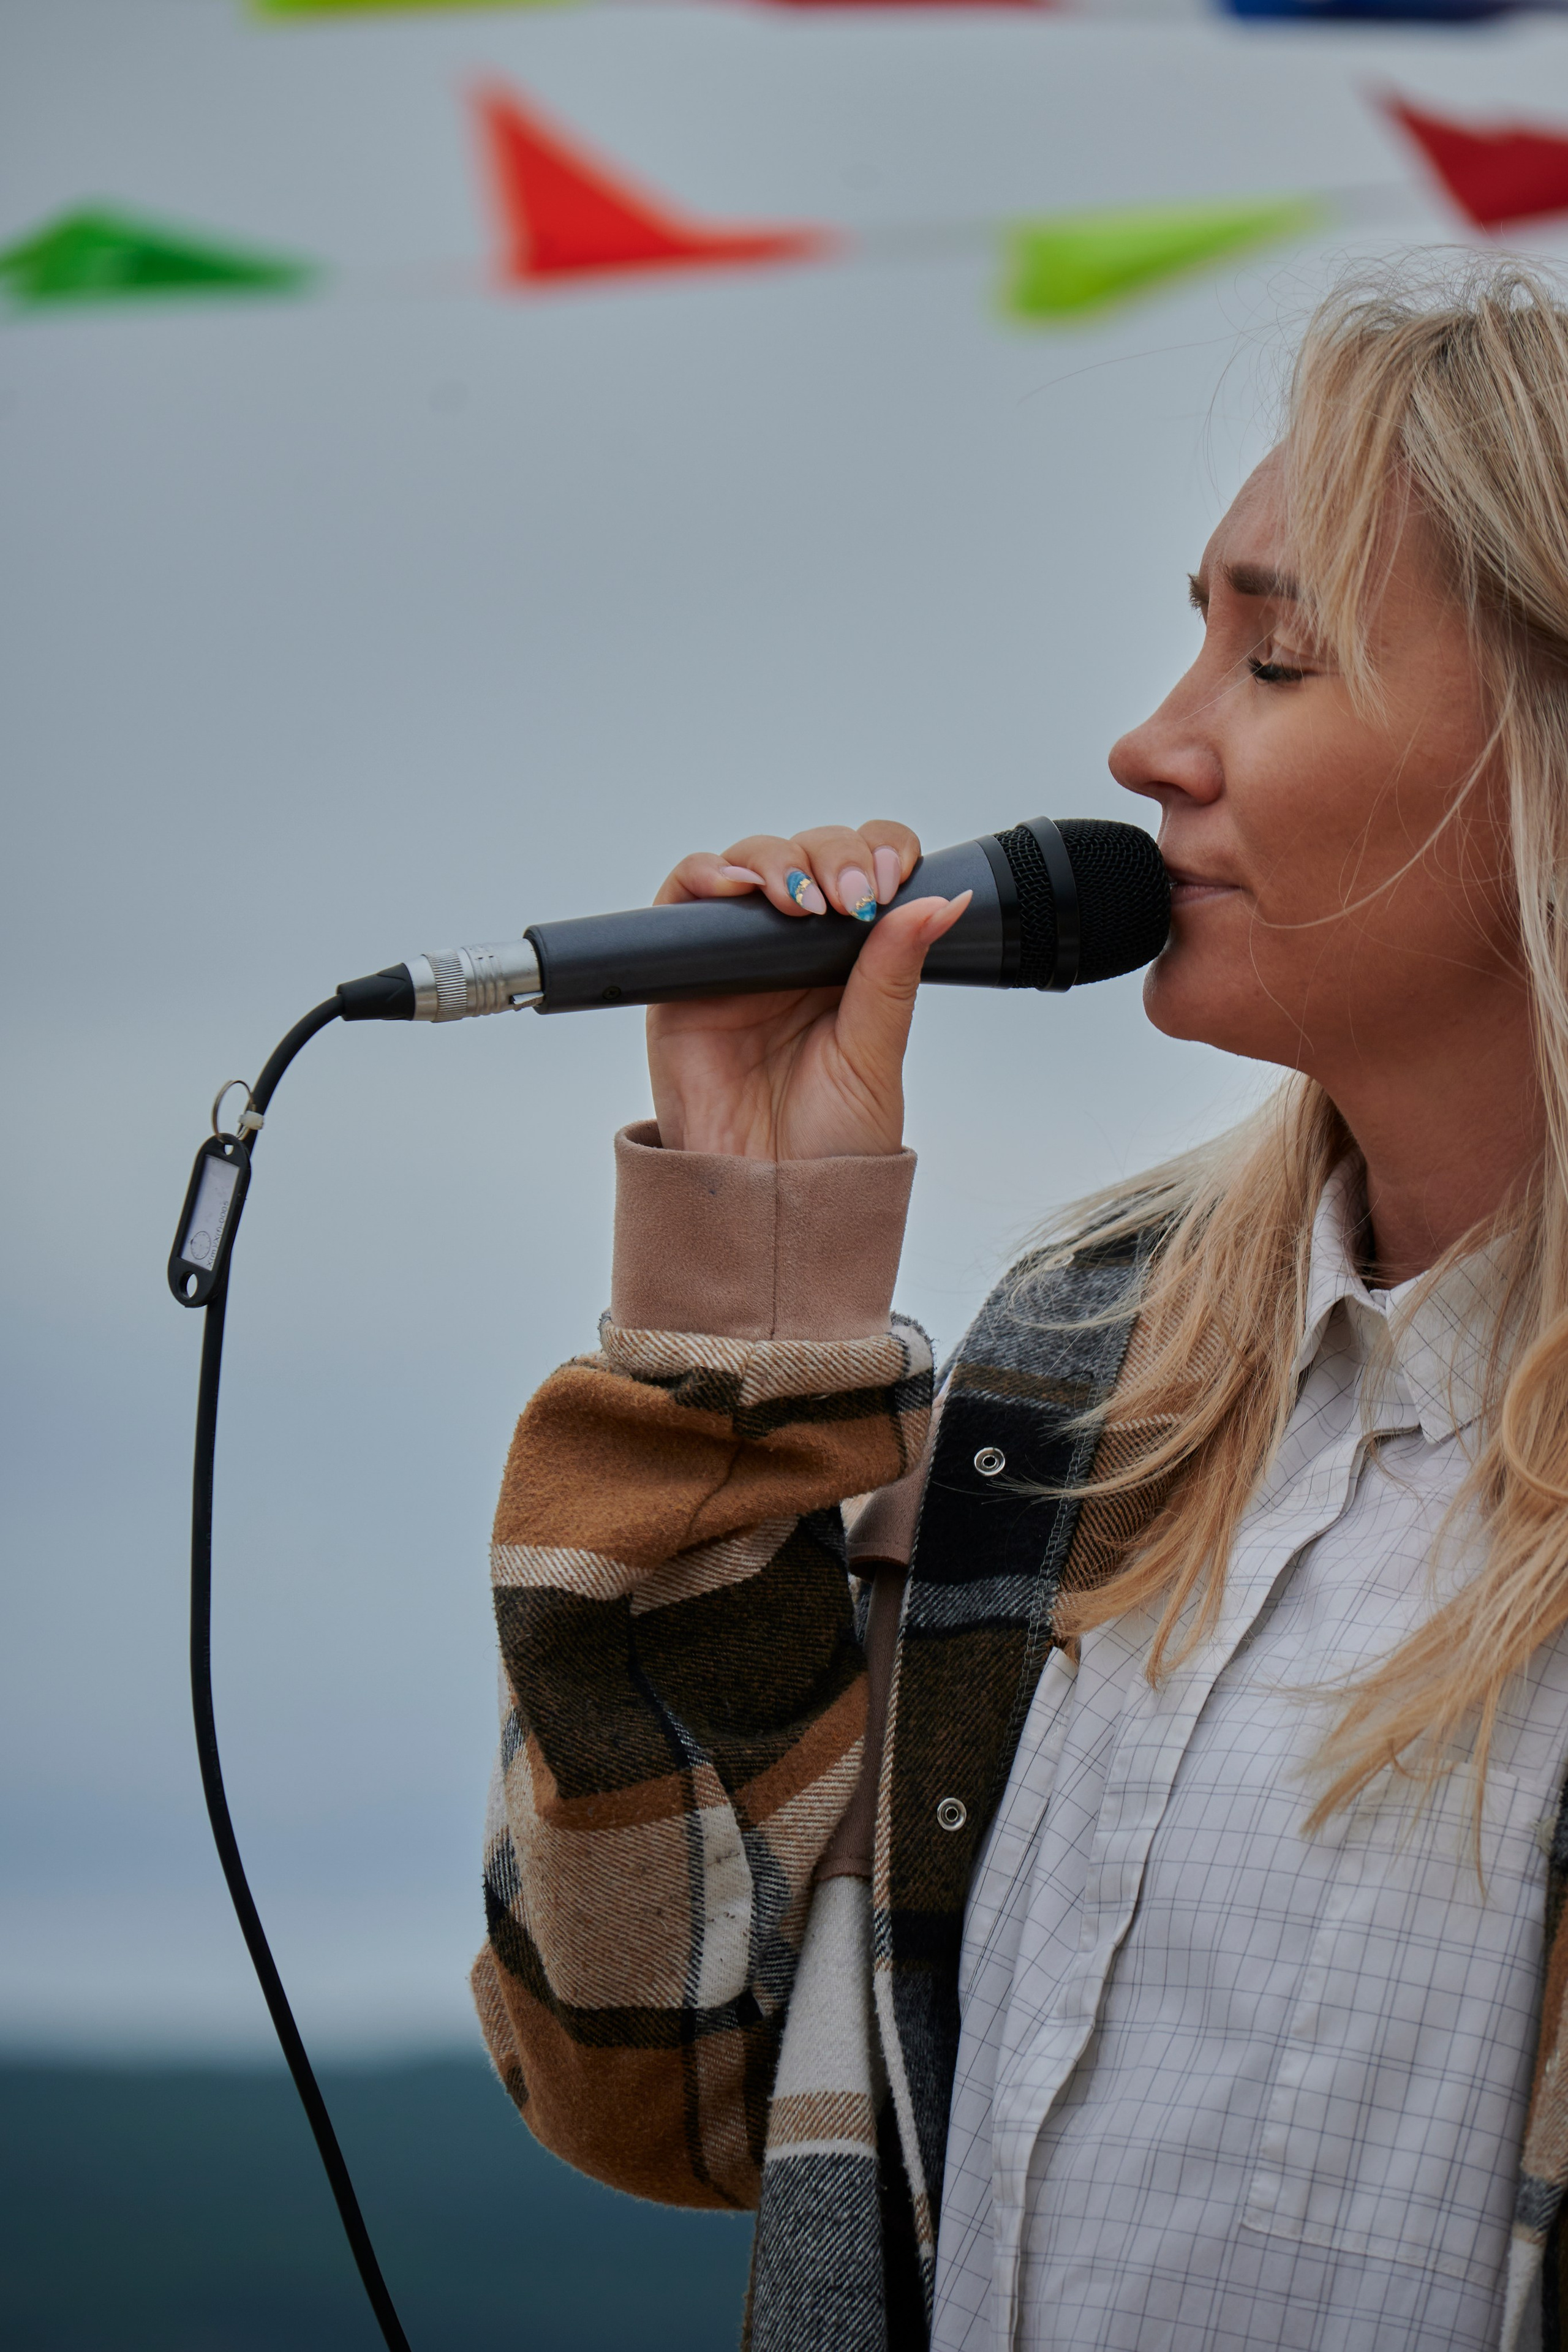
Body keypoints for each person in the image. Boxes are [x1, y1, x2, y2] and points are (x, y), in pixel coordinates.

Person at [469, 257, 1568, 2352]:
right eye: (1196, 639)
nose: (1151, 746)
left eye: (1275, 657)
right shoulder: (1082, 1363)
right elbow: (657, 2068)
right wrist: (749, 1276)